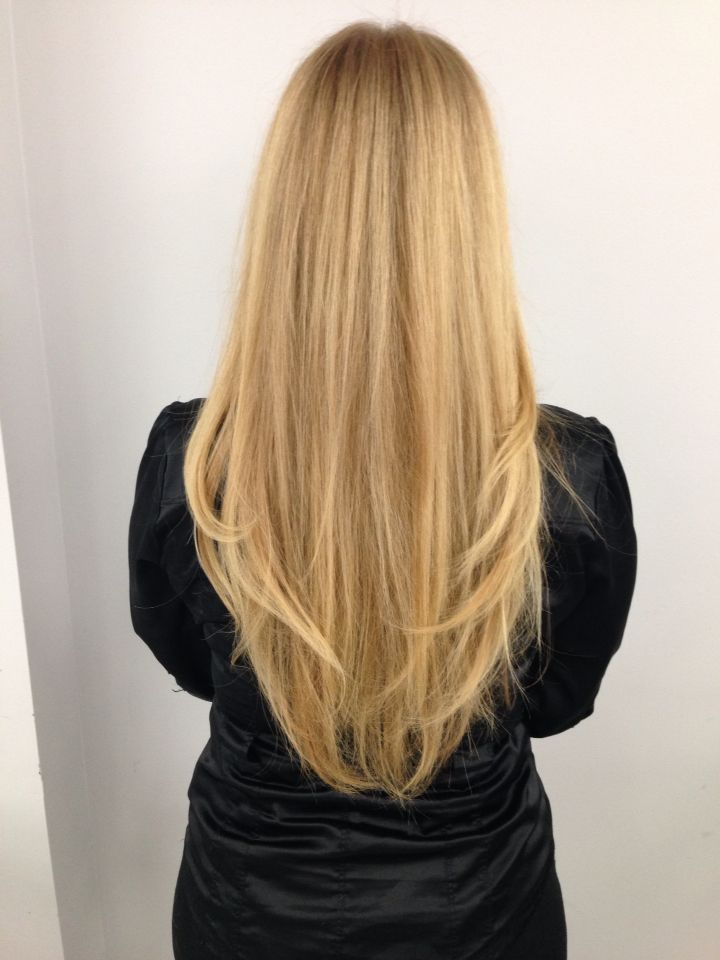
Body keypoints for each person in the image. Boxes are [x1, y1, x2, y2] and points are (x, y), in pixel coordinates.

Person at [128, 20, 638, 960]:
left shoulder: (193, 462)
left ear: (288, 213)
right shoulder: (564, 478)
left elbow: (193, 659)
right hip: (483, 910)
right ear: (469, 216)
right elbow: (555, 700)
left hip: (247, 909)